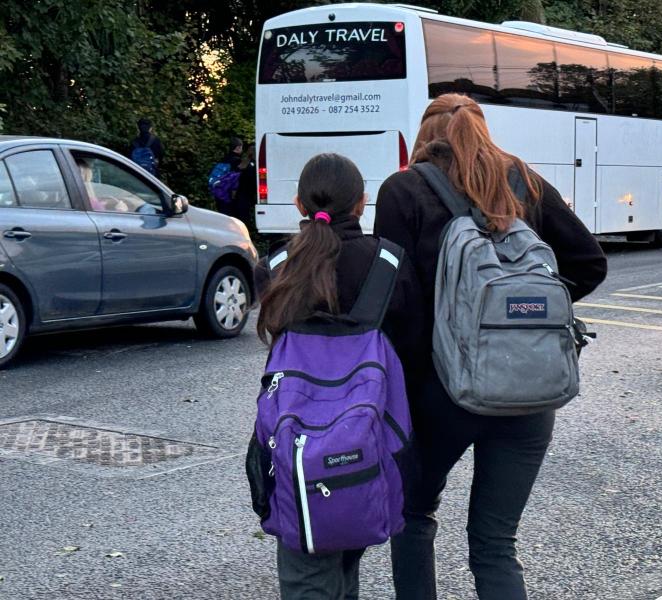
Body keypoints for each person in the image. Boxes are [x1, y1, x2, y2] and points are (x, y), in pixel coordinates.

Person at [374, 93, 608, 600]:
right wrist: (531, 319)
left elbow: (396, 305)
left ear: (423, 135)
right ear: (483, 131)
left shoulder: (403, 190)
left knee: (413, 514)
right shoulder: (523, 180)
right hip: (530, 392)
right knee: (496, 541)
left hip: (440, 394)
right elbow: (590, 262)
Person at [254, 153, 423, 600]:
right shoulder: (389, 262)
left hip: (294, 444)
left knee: (308, 570)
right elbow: (412, 343)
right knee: (346, 560)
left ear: (297, 204)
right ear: (362, 203)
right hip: (369, 441)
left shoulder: (275, 268)